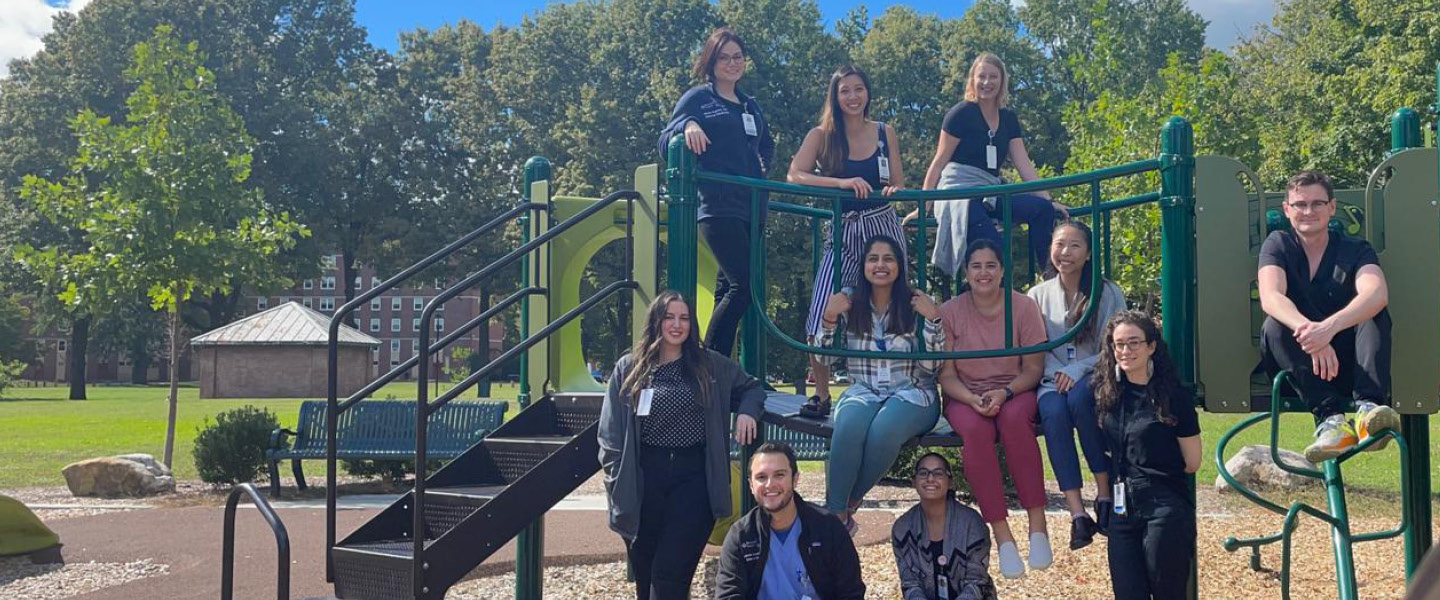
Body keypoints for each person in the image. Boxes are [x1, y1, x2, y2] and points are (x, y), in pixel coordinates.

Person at [597, 291, 764, 600]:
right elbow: (610, 435)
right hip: (644, 480)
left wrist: (746, 412)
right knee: (645, 575)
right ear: (656, 322)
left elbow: (752, 388)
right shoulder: (630, 368)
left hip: (693, 479)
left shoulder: (709, 365)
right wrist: (616, 477)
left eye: (684, 318)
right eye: (669, 317)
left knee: (669, 574)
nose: (677, 325)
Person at [787, 64, 908, 416]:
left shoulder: (885, 131)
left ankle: (895, 388)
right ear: (835, 96)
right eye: (845, 91)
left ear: (867, 93)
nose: (853, 97)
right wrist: (840, 182)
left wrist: (892, 189)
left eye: (859, 89)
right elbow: (795, 174)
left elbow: (898, 181)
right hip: (844, 228)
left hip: (883, 225)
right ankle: (822, 394)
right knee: (821, 310)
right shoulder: (822, 135)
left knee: (892, 308)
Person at [1257, 169, 1400, 463]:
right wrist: (1313, 336)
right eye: (1300, 204)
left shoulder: (1356, 249)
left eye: (1317, 204)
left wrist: (1329, 329)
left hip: (1350, 366)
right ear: (1287, 209)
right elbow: (1271, 296)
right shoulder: (1278, 244)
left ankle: (1368, 411)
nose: (1308, 211)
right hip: (1300, 370)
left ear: (1332, 207)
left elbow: (1376, 293)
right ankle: (1330, 420)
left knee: (1374, 314)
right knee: (1274, 326)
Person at [811, 235, 943, 533]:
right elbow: (824, 358)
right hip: (865, 389)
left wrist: (934, 321)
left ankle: (846, 505)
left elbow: (932, 367)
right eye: (873, 259)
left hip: (912, 391)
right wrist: (830, 318)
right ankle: (837, 520)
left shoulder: (914, 302)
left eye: (888, 259)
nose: (880, 265)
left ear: (899, 266)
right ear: (864, 265)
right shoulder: (848, 300)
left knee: (885, 428)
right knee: (849, 426)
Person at [658, 27, 775, 358]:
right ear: (711, 62)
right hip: (718, 206)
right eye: (724, 57)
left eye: (737, 56)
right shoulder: (699, 99)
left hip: (752, 208)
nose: (732, 63)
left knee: (729, 287)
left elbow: (766, 145)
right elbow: (666, 141)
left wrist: (762, 169)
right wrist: (687, 126)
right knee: (743, 288)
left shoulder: (750, 106)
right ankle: (707, 365)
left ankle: (719, 368)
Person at [937, 238, 1050, 578]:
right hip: (965, 393)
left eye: (990, 265)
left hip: (1014, 389)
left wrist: (1004, 392)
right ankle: (1002, 536)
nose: (983, 273)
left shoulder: (1023, 307)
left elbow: (1033, 368)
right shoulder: (950, 312)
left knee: (1015, 422)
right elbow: (946, 373)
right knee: (975, 430)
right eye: (976, 266)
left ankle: (1037, 524)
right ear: (966, 272)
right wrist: (971, 399)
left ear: (1002, 271)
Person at [914, 52, 1067, 280]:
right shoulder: (961, 114)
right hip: (960, 192)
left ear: (1002, 81)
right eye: (981, 76)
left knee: (1041, 210)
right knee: (992, 246)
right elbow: (939, 162)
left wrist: (1048, 199)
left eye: (993, 77)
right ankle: (988, 298)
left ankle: (1051, 277)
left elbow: (1023, 164)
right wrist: (923, 207)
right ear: (972, 80)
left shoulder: (1008, 119)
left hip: (992, 190)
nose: (987, 83)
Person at [1026, 220, 1125, 549]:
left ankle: (1104, 492)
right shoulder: (1037, 296)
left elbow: (1114, 345)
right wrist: (1058, 373)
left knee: (1082, 400)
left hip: (1094, 374)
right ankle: (1076, 513)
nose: (1065, 252)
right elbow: (1035, 345)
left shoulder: (1107, 292)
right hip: (1051, 378)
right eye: (1059, 244)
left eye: (1074, 246)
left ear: (1087, 254)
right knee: (1053, 412)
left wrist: (1079, 369)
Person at [1092, 310, 1202, 600]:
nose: (1125, 351)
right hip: (1122, 508)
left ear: (1151, 346)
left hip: (1163, 505)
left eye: (1134, 343)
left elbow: (1193, 461)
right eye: (1119, 344)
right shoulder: (1108, 394)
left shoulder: (1172, 397)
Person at [715, 442, 867, 600]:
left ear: (795, 479)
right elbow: (727, 594)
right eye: (761, 477)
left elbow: (851, 591)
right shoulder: (741, 535)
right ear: (751, 486)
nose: (770, 484)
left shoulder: (828, 527)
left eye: (779, 475)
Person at [891, 452, 997, 600]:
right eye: (923, 473)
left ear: (950, 482)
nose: (930, 478)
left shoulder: (972, 522)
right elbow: (910, 584)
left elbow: (976, 582)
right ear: (913, 482)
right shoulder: (902, 528)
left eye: (938, 473)